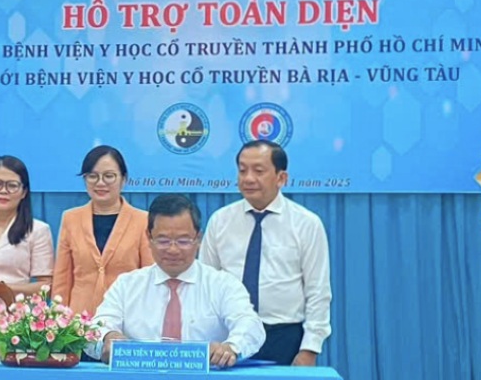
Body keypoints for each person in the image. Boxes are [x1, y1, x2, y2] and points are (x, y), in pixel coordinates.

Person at [86, 194, 265, 367]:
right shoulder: (126, 285)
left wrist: (230, 348)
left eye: (183, 241)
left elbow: (250, 325)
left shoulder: (222, 285)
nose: (173, 250)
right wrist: (108, 337)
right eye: (163, 241)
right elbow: (96, 328)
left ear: (198, 239)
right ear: (149, 238)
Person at [200, 140, 331, 366]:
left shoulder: (306, 223)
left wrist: (310, 349)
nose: (248, 178)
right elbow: (206, 285)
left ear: (281, 178)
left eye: (258, 171)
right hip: (229, 338)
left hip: (284, 337)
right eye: (242, 170)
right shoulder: (220, 221)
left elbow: (318, 292)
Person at [53, 145, 153, 320]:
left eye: (109, 176)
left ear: (124, 179)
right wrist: (58, 320)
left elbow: (150, 277)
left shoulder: (142, 220)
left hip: (127, 318)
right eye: (92, 176)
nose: (100, 183)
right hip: (79, 323)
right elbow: (62, 279)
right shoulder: (70, 218)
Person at [0, 156, 54, 296]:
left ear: (24, 192)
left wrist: (2, 289)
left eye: (12, 185)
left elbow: (46, 287)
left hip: (16, 313)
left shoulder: (38, 230)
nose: (3, 191)